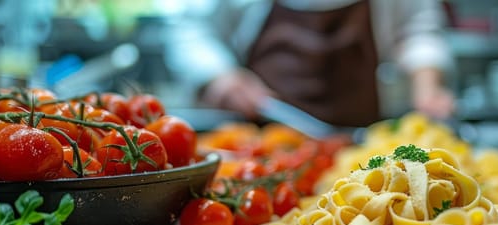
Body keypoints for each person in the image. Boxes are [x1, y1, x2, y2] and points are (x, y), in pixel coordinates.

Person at [166, 0, 455, 127]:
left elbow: (418, 28)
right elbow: (191, 29)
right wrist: (219, 75)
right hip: (264, 136)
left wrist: (427, 85)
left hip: (361, 138)